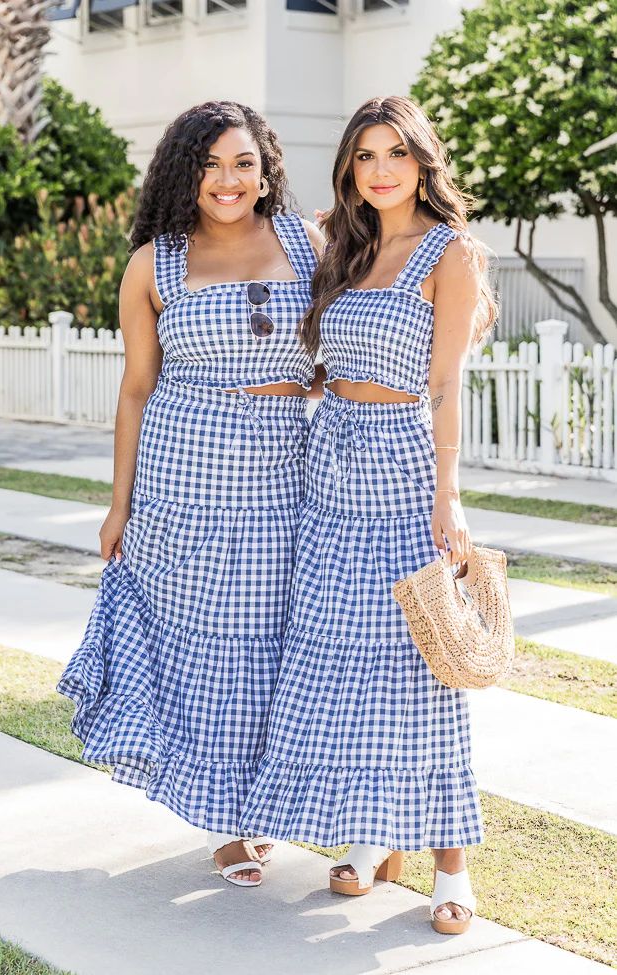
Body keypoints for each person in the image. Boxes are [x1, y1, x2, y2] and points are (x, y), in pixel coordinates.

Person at [239, 95, 497, 931]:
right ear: (350, 167)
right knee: (338, 656)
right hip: (330, 463)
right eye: (365, 156)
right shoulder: (345, 246)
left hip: (401, 463)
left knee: (417, 659)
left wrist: (447, 491)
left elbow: (448, 380)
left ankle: (451, 867)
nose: (381, 169)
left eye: (396, 153)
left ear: (423, 161)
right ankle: (365, 838)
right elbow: (327, 352)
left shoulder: (449, 252)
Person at [56, 100, 324, 888]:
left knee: (268, 647)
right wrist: (119, 503)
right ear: (184, 173)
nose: (227, 180)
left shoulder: (305, 243)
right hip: (182, 483)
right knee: (199, 654)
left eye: (243, 162)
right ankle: (233, 821)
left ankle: (267, 802)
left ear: (266, 166)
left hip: (283, 478)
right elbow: (136, 390)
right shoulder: (154, 264)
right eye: (209, 165)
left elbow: (347, 337)